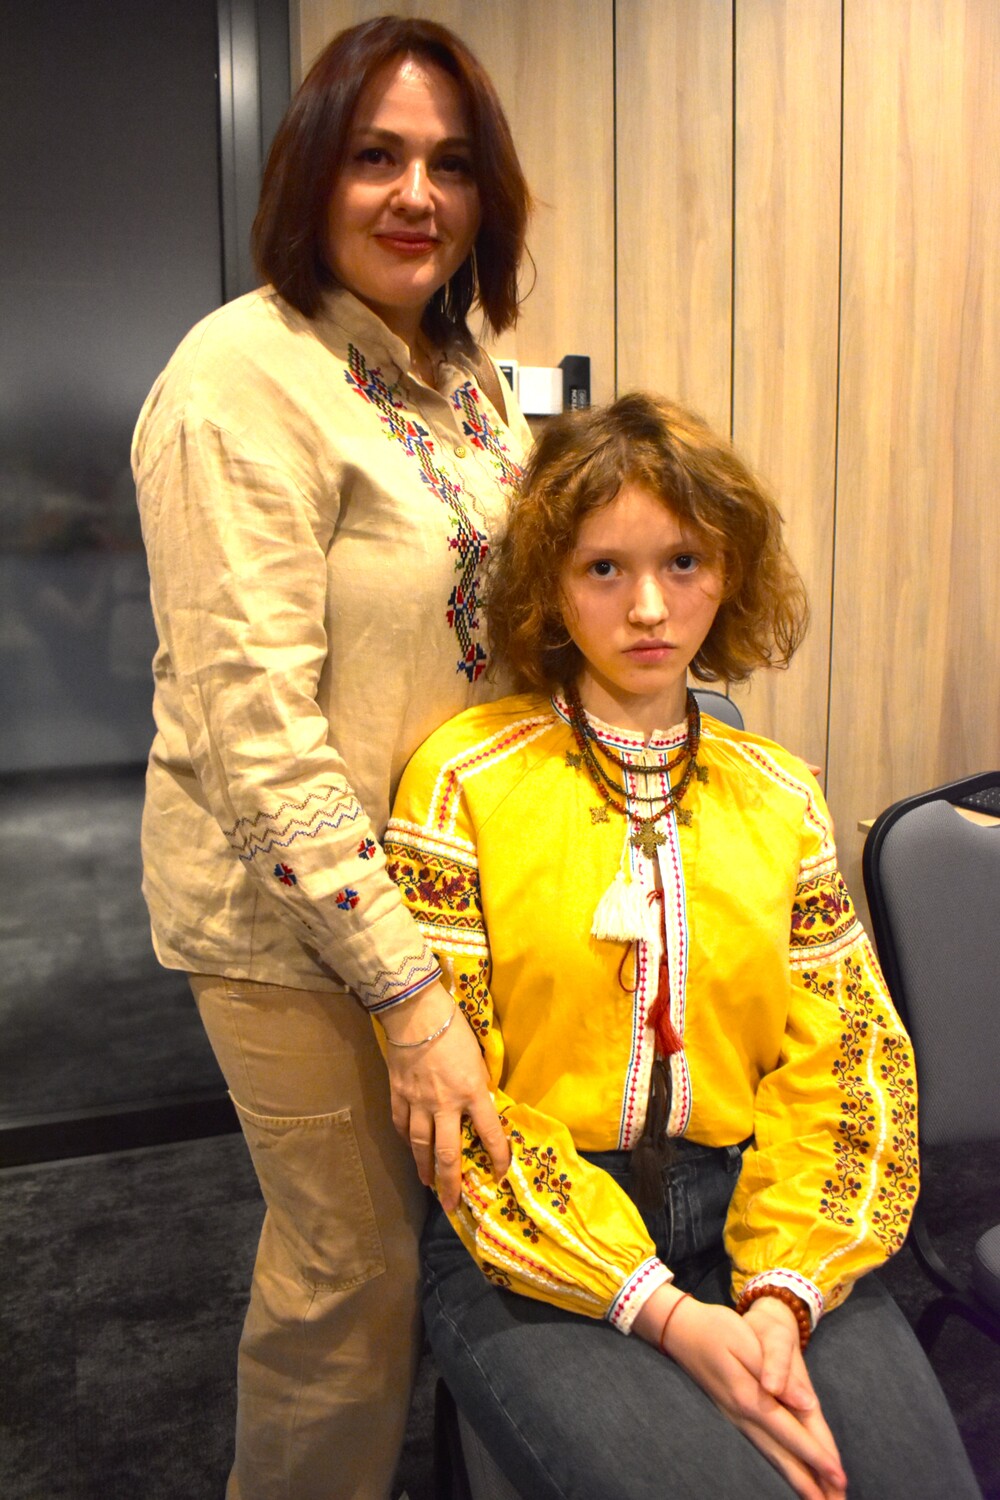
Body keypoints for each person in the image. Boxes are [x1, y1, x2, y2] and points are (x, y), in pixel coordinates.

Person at [384, 394, 982, 1500]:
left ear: (730, 572)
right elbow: (467, 1113)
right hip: (537, 1242)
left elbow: (849, 1059)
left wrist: (783, 1294)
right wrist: (664, 1315)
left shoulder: (778, 795)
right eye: (604, 568)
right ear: (551, 584)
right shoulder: (463, 781)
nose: (650, 607)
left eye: (685, 561)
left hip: (758, 1206)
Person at [131, 16, 533, 1500]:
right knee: (348, 1277)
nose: (417, 194)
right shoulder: (236, 379)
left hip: (450, 892)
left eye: (450, 163)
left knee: (458, 1248)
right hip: (297, 927)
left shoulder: (463, 372)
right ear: (311, 173)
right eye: (377, 156)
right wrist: (410, 1001)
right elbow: (258, 734)